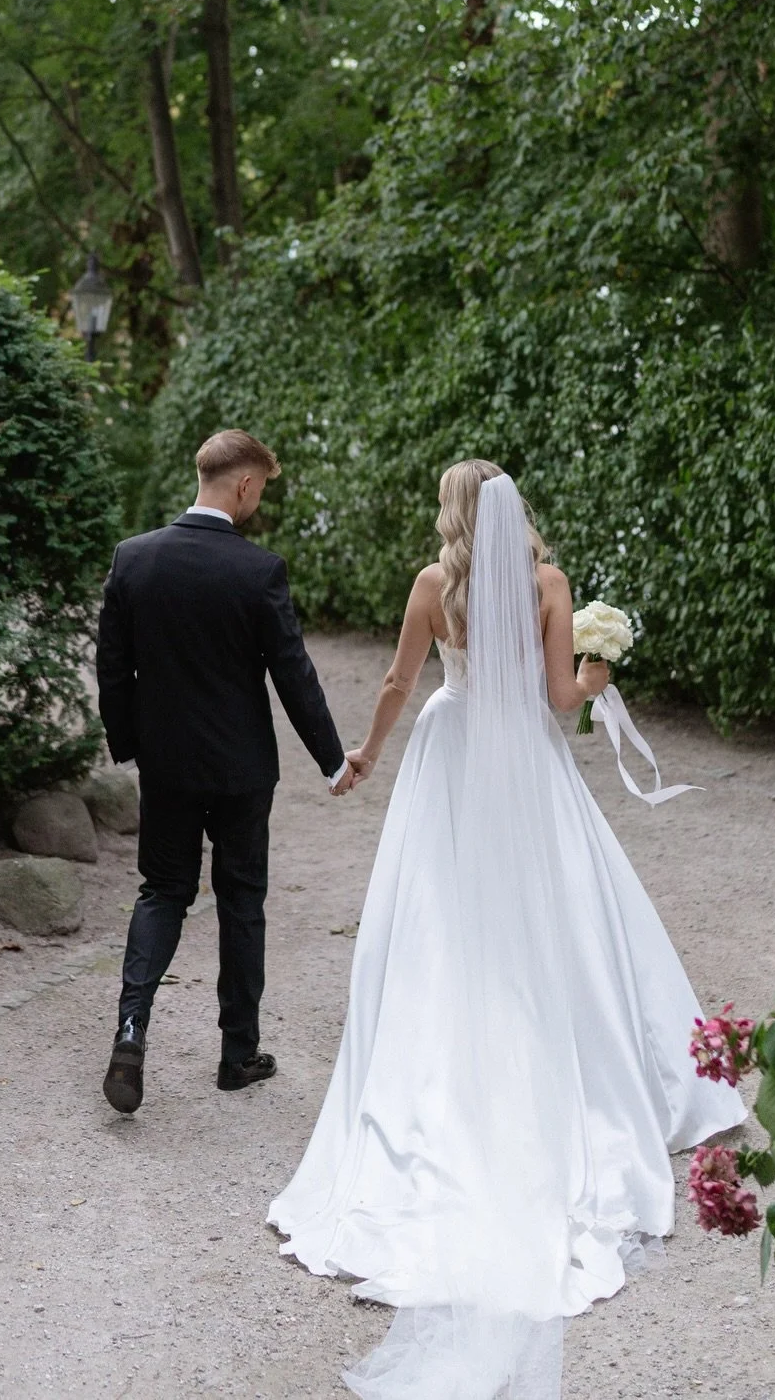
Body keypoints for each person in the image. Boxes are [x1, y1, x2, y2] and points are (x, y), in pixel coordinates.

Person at [269, 460, 747, 1399]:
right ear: (515, 510)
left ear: (450, 511)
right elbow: (563, 701)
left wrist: (364, 753)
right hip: (524, 758)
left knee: (438, 924)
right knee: (567, 914)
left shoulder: (431, 585)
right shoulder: (547, 584)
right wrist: (601, 666)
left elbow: (402, 684)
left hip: (451, 752)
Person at [95, 428, 351, 1115]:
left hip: (168, 764)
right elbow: (292, 673)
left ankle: (130, 1029)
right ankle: (237, 1055)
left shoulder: (135, 558)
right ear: (242, 485)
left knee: (161, 891)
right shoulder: (258, 569)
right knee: (241, 899)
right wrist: (332, 758)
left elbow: (113, 669)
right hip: (242, 770)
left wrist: (130, 744)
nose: (258, 502)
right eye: (260, 489)